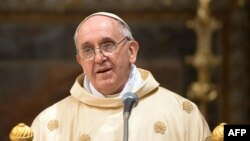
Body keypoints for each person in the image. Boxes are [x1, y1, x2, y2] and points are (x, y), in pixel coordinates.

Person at [31, 12, 211, 141]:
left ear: (131, 51)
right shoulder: (49, 123)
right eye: (88, 50)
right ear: (80, 61)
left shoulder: (182, 113)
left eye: (108, 45)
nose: (99, 58)